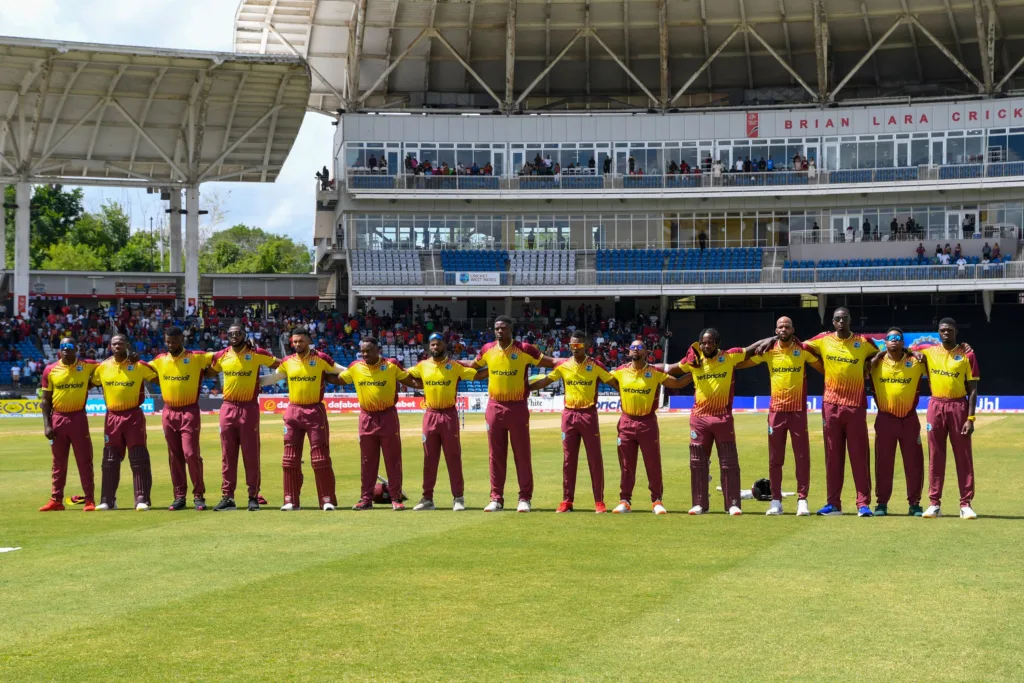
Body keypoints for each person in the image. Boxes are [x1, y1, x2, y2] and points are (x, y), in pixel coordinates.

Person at [673, 329, 768, 515]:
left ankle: (732, 503)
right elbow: (670, 369)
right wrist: (647, 366)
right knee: (698, 462)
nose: (706, 346)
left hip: (722, 417)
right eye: (703, 343)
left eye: (710, 342)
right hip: (699, 418)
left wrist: (773, 338)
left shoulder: (729, 356)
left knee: (729, 462)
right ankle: (700, 504)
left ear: (717, 343)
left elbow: (752, 349)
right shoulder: (694, 362)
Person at [471, 316, 556, 513]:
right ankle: (496, 498)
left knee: (522, 453)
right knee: (495, 455)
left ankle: (524, 498)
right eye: (497, 328)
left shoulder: (525, 349)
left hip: (517, 406)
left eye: (503, 328)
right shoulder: (487, 349)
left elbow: (550, 362)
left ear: (511, 329)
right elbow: (471, 370)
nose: (499, 331)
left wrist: (570, 361)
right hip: (494, 406)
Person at [528, 331, 618, 514]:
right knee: (569, 460)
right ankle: (567, 501)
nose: (574, 349)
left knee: (594, 458)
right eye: (572, 346)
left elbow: (615, 383)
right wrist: (525, 387)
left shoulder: (596, 366)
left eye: (578, 345)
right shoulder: (564, 366)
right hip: (569, 416)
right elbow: (545, 381)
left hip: (588, 415)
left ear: (585, 345)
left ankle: (599, 501)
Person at [804, 308, 880, 516]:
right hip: (831, 405)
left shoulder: (863, 342)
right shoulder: (823, 340)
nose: (841, 321)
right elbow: (801, 348)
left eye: (844, 318)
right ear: (833, 321)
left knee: (859, 455)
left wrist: (868, 368)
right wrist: (822, 367)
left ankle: (863, 504)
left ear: (850, 320)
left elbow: (882, 353)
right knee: (833, 456)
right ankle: (833, 504)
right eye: (837, 319)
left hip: (855, 405)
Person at [328, 337, 419, 510]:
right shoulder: (356, 367)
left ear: (378, 350)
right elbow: (338, 379)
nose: (364, 354)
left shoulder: (391, 365)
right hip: (366, 417)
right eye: (362, 351)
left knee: (393, 459)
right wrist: (318, 374)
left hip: (388, 417)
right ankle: (366, 499)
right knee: (367, 461)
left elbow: (410, 381)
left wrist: (430, 384)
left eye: (368, 350)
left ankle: (395, 498)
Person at [258, 327, 343, 511]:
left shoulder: (321, 358)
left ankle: (326, 500)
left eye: (301, 341)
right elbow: (273, 378)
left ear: (309, 340)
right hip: (293, 412)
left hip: (314, 411)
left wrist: (360, 371)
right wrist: (251, 380)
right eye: (295, 341)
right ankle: (290, 500)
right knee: (289, 458)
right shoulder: (288, 361)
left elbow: (341, 371)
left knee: (320, 458)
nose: (297, 344)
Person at [747, 317, 821, 516]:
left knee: (802, 457)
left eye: (787, 326)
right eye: (780, 326)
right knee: (775, 459)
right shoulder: (769, 350)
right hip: (776, 412)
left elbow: (822, 367)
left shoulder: (803, 350)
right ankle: (776, 502)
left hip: (797, 412)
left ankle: (802, 500)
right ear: (776, 330)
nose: (784, 329)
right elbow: (742, 362)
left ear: (793, 329)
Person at [608, 341, 692, 514]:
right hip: (626, 422)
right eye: (632, 347)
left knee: (652, 463)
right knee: (626, 464)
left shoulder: (653, 372)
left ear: (646, 352)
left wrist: (695, 372)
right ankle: (625, 500)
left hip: (647, 422)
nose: (635, 350)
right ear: (628, 351)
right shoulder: (620, 371)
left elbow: (677, 383)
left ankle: (657, 501)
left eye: (639, 347)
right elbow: (603, 377)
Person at [405, 334, 486, 512]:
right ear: (429, 347)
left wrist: (495, 369)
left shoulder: (455, 366)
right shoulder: (422, 366)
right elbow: (404, 375)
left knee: (453, 457)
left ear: (444, 346)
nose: (435, 347)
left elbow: (478, 376)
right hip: (430, 414)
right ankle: (427, 499)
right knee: (429, 458)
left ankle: (458, 498)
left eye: (438, 344)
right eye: (432, 344)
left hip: (449, 415)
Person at [912, 319, 979, 519]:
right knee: (936, 455)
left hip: (959, 406)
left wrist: (971, 417)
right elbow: (905, 348)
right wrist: (913, 353)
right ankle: (934, 504)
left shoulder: (968, 354)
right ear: (938, 333)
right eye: (942, 330)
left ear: (956, 331)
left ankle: (965, 504)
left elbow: (973, 389)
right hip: (936, 405)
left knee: (963, 456)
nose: (946, 333)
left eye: (949, 330)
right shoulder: (929, 351)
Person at [210, 324, 279, 511]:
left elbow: (281, 365)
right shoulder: (222, 355)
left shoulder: (256, 353)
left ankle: (253, 496)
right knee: (227, 455)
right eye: (230, 333)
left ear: (244, 334)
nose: (234, 335)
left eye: (237, 333)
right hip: (228, 407)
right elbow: (209, 370)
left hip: (248, 407)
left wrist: (264, 381)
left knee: (251, 454)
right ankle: (228, 497)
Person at [149, 326, 213, 511]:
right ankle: (179, 496)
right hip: (168, 412)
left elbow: (222, 355)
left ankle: (199, 495)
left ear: (181, 341)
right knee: (174, 456)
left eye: (174, 341)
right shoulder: (159, 360)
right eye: (168, 341)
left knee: (190, 454)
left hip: (189, 411)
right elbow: (144, 371)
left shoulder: (196, 357)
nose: (170, 344)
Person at [91, 334, 158, 511]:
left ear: (126, 344)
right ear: (109, 346)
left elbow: (159, 376)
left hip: (133, 416)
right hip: (112, 416)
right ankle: (107, 500)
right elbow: (87, 382)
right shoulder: (102, 367)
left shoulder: (139, 365)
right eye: (114, 343)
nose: (117, 345)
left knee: (138, 457)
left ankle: (142, 499)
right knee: (110, 459)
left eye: (120, 342)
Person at [868, 328, 926, 517]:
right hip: (885, 419)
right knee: (883, 463)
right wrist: (878, 355)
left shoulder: (915, 362)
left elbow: (936, 352)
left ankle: (915, 504)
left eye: (897, 338)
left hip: (909, 419)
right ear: (885, 342)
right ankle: (882, 504)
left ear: (903, 342)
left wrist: (912, 352)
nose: (894, 341)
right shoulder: (875, 363)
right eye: (890, 338)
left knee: (914, 463)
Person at [38, 338, 98, 511]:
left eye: (70, 346)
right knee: (58, 462)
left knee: (84, 460)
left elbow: (109, 365)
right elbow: (45, 401)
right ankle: (56, 500)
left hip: (78, 418)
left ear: (76, 349)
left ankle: (89, 500)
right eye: (63, 346)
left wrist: (90, 384)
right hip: (58, 419)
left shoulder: (87, 365)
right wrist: (46, 425)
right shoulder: (50, 370)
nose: (66, 349)